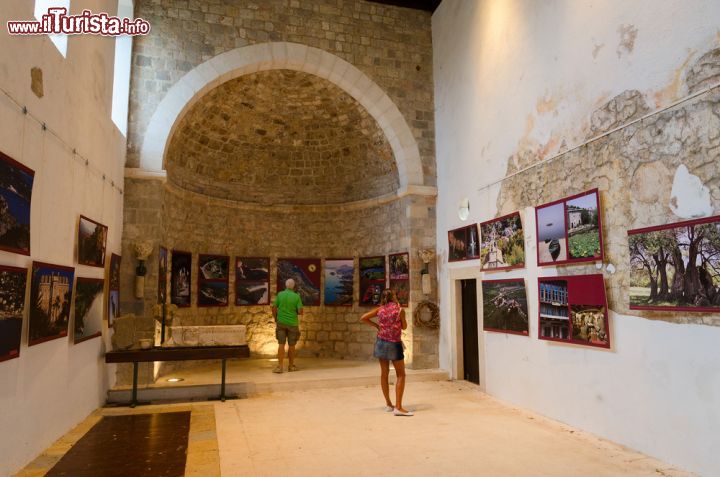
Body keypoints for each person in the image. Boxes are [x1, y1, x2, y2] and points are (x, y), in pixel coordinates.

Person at [360, 289, 412, 416]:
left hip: (381, 342)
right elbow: (404, 327)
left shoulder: (380, 309)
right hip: (394, 344)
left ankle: (389, 404)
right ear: (393, 297)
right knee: (401, 375)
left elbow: (363, 318)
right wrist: (401, 318)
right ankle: (398, 407)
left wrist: (376, 326)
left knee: (384, 374)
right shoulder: (399, 310)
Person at [271, 278, 303, 373]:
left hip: (281, 322)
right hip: (292, 323)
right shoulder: (296, 296)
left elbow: (274, 308)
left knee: (281, 344)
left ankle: (280, 367)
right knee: (292, 345)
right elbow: (300, 311)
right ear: (293, 286)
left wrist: (276, 318)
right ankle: (291, 366)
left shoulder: (280, 295)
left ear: (286, 285)